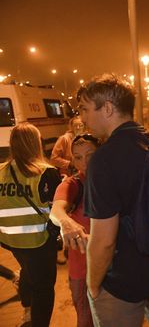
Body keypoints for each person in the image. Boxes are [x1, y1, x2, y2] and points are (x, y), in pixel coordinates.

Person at [76, 74, 149, 327]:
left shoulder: (103, 159)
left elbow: (103, 241)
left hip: (122, 283)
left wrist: (92, 285)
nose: (83, 118)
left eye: (85, 110)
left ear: (108, 108)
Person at [0, 122, 61, 327]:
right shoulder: (46, 173)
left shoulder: (0, 171)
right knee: (43, 288)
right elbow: (60, 209)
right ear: (36, 143)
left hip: (10, 240)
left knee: (26, 270)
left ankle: (27, 311)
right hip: (39, 242)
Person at [49, 133, 100, 327]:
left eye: (90, 155)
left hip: (114, 268)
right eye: (78, 157)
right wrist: (66, 222)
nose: (85, 162)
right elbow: (56, 209)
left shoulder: (113, 181)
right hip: (82, 270)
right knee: (86, 319)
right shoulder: (73, 183)